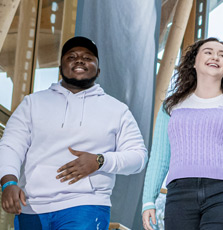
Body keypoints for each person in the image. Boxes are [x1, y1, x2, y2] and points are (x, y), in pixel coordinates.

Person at [0, 36, 147, 229]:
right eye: (72, 57)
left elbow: (138, 157)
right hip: (32, 207)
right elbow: (11, 145)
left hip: (86, 205)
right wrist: (8, 182)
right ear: (61, 68)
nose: (79, 60)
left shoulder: (117, 110)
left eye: (87, 57)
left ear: (98, 69)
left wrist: (100, 161)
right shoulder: (32, 104)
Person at [140, 38, 223, 230]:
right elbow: (159, 158)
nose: (215, 56)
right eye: (208, 52)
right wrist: (148, 200)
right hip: (179, 194)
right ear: (194, 62)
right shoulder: (171, 106)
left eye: (222, 55)